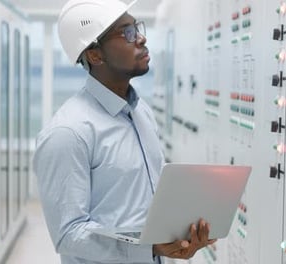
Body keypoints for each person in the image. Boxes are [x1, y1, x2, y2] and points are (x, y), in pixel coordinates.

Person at [33, 0, 215, 263]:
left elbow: (155, 201)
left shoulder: (142, 113)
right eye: (127, 33)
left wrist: (182, 235)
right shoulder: (68, 132)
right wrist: (149, 248)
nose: (141, 38)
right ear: (95, 55)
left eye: (137, 28)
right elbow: (68, 234)